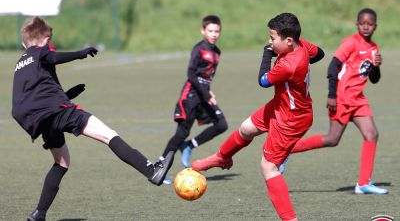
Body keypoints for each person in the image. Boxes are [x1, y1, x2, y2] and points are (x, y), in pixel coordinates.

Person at [12, 17, 173, 221]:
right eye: (49, 39)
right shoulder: (40, 51)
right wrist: (81, 53)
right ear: (43, 40)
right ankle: (152, 171)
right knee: (108, 135)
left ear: (23, 43)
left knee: (62, 163)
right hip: (58, 112)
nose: (50, 44)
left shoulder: (20, 64)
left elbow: (35, 95)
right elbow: (52, 58)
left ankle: (39, 213)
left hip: (40, 120)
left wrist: (67, 94)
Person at [192, 13, 325, 221]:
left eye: (272, 39)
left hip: (291, 119)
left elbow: (263, 81)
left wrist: (267, 54)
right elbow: (320, 54)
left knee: (268, 166)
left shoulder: (288, 65)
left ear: (288, 40)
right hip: (281, 106)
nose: (270, 42)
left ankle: (290, 219)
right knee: (246, 128)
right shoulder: (302, 45)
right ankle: (222, 158)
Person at [281, 8, 388, 195]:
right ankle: (286, 150)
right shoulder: (351, 43)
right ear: (357, 25)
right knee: (332, 139)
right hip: (343, 97)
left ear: (375, 27)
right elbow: (333, 66)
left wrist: (377, 67)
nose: (366, 27)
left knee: (372, 134)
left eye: (369, 24)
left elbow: (374, 79)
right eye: (362, 23)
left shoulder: (374, 48)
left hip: (358, 99)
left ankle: (363, 184)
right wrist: (332, 95)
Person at [158, 15, 228, 170]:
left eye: (217, 31)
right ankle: (160, 165)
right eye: (210, 31)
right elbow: (191, 74)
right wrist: (206, 94)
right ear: (203, 31)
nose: (214, 34)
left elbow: (206, 77)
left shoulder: (217, 52)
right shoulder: (199, 49)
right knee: (181, 133)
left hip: (204, 95)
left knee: (221, 124)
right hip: (191, 96)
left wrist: (209, 92)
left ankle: (189, 146)